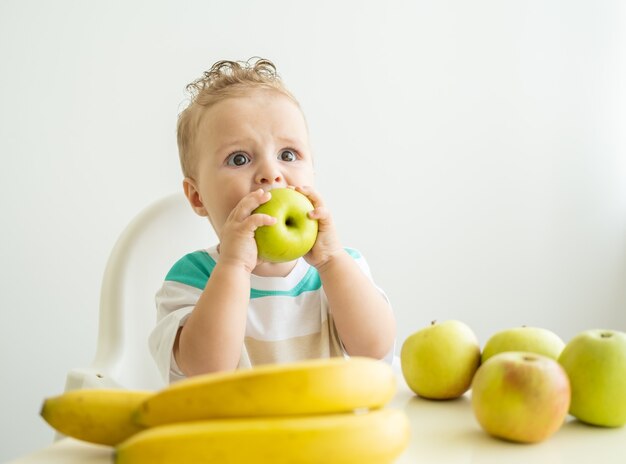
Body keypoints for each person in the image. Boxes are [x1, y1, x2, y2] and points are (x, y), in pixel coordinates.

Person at [149, 58, 396, 382]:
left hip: (327, 430)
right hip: (232, 433)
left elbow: (375, 351)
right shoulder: (192, 279)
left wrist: (332, 260)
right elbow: (205, 370)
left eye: (288, 155)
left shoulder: (341, 269)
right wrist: (234, 267)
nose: (271, 173)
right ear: (197, 197)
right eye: (239, 158)